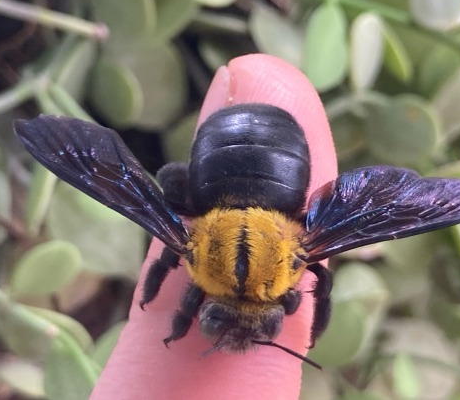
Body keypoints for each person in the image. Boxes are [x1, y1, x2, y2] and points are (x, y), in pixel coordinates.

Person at [90, 53, 337, 400]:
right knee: (170, 179)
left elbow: (322, 276)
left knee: (170, 180)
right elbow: (170, 209)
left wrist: (165, 308)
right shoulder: (188, 245)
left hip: (259, 153)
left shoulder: (304, 248)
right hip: (254, 149)